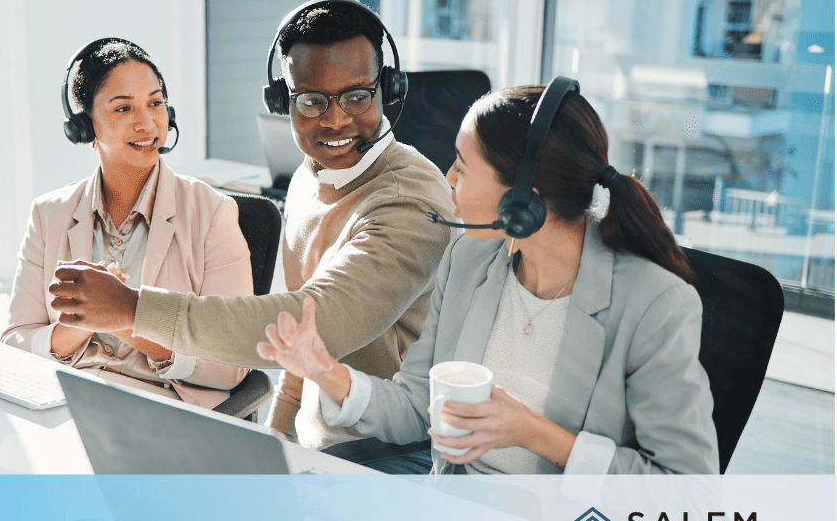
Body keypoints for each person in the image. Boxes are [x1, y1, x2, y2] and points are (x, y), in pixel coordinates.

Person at [48, 0, 457, 450]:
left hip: (398, 451)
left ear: (389, 90)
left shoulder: (409, 200)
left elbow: (314, 327)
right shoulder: (311, 176)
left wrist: (133, 309)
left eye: (358, 96)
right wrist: (278, 434)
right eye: (312, 100)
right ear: (283, 101)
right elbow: (301, 360)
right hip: (328, 442)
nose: (336, 118)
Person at [256, 79, 720, 475]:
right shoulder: (470, 258)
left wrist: (536, 434)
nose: (448, 176)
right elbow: (419, 408)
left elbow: (686, 493)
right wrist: (327, 373)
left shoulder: (654, 304)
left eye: (463, 163)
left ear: (524, 197)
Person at [1, 39, 252, 408]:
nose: (148, 123)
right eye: (123, 108)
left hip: (162, 406)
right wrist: (78, 324)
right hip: (65, 397)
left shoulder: (213, 213)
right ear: (85, 126)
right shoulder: (48, 213)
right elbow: (14, 342)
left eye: (156, 102)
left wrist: (123, 317)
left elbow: (230, 363)